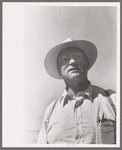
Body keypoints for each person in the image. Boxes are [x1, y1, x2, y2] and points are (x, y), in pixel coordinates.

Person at [37, 38, 116, 144]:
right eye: (65, 60)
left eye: (78, 57)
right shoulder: (50, 111)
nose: (73, 62)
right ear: (59, 71)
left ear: (87, 65)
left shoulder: (113, 100)